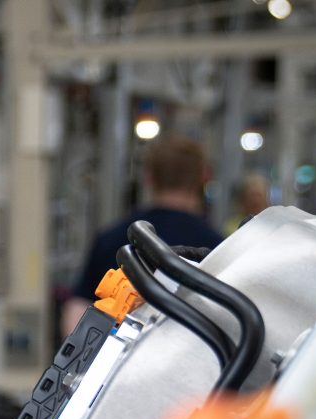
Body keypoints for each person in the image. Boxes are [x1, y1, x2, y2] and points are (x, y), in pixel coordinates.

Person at [62, 135, 225, 337]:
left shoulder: (113, 237)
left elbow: (78, 308)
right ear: (204, 177)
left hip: (118, 362)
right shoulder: (218, 247)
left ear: (149, 178)